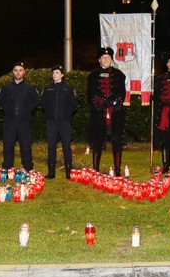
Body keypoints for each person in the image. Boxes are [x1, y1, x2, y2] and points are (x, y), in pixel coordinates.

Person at [87, 47, 128, 175]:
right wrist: (101, 102)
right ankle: (95, 169)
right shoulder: (93, 75)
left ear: (111, 59)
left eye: (108, 57)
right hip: (99, 113)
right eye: (103, 58)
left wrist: (112, 102)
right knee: (97, 141)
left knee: (117, 141)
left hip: (115, 113)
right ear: (99, 60)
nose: (106, 60)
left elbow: (121, 93)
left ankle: (117, 170)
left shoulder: (119, 75)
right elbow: (90, 95)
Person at [0, 62, 39, 171]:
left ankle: (28, 167)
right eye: (16, 70)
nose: (18, 72)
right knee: (8, 146)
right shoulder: (6, 88)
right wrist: (7, 111)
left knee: (25, 146)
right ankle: (7, 167)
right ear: (12, 72)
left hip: (24, 122)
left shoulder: (30, 87)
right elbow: (0, 102)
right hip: (9, 122)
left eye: (20, 70)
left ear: (24, 72)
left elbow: (35, 101)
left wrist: (27, 111)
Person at [41, 64, 79, 179]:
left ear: (62, 75)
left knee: (66, 146)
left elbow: (74, 105)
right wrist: (49, 114)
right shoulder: (48, 88)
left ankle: (68, 171)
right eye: (53, 73)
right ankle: (51, 172)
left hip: (64, 122)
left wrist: (66, 115)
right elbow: (43, 103)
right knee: (51, 146)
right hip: (51, 122)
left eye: (57, 72)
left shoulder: (68, 88)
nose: (54, 75)